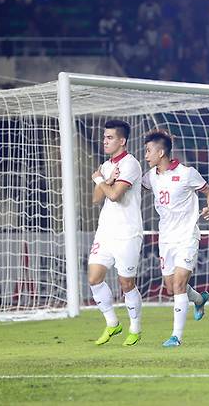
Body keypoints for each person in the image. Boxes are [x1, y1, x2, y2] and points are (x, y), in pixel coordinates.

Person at [142, 129, 209, 347]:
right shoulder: (150, 177)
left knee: (180, 283)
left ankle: (176, 336)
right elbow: (136, 188)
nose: (146, 155)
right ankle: (199, 300)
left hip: (186, 236)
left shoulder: (186, 173)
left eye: (148, 151)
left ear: (161, 152)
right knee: (171, 287)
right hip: (165, 239)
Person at [88, 120, 144, 346]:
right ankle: (112, 323)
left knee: (126, 283)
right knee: (94, 278)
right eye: (104, 137)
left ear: (122, 141)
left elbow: (114, 196)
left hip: (127, 232)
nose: (105, 141)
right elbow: (96, 198)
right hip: (106, 232)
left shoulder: (131, 164)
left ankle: (135, 328)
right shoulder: (105, 166)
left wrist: (101, 180)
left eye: (109, 138)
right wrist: (106, 180)